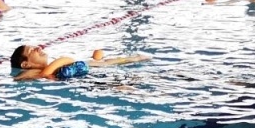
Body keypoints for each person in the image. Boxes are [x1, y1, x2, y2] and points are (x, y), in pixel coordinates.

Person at [9, 46, 150, 80]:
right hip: (91, 81)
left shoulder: (54, 65)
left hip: (94, 75)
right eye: (32, 50)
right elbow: (18, 79)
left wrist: (133, 59)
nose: (39, 48)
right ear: (25, 64)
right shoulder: (31, 72)